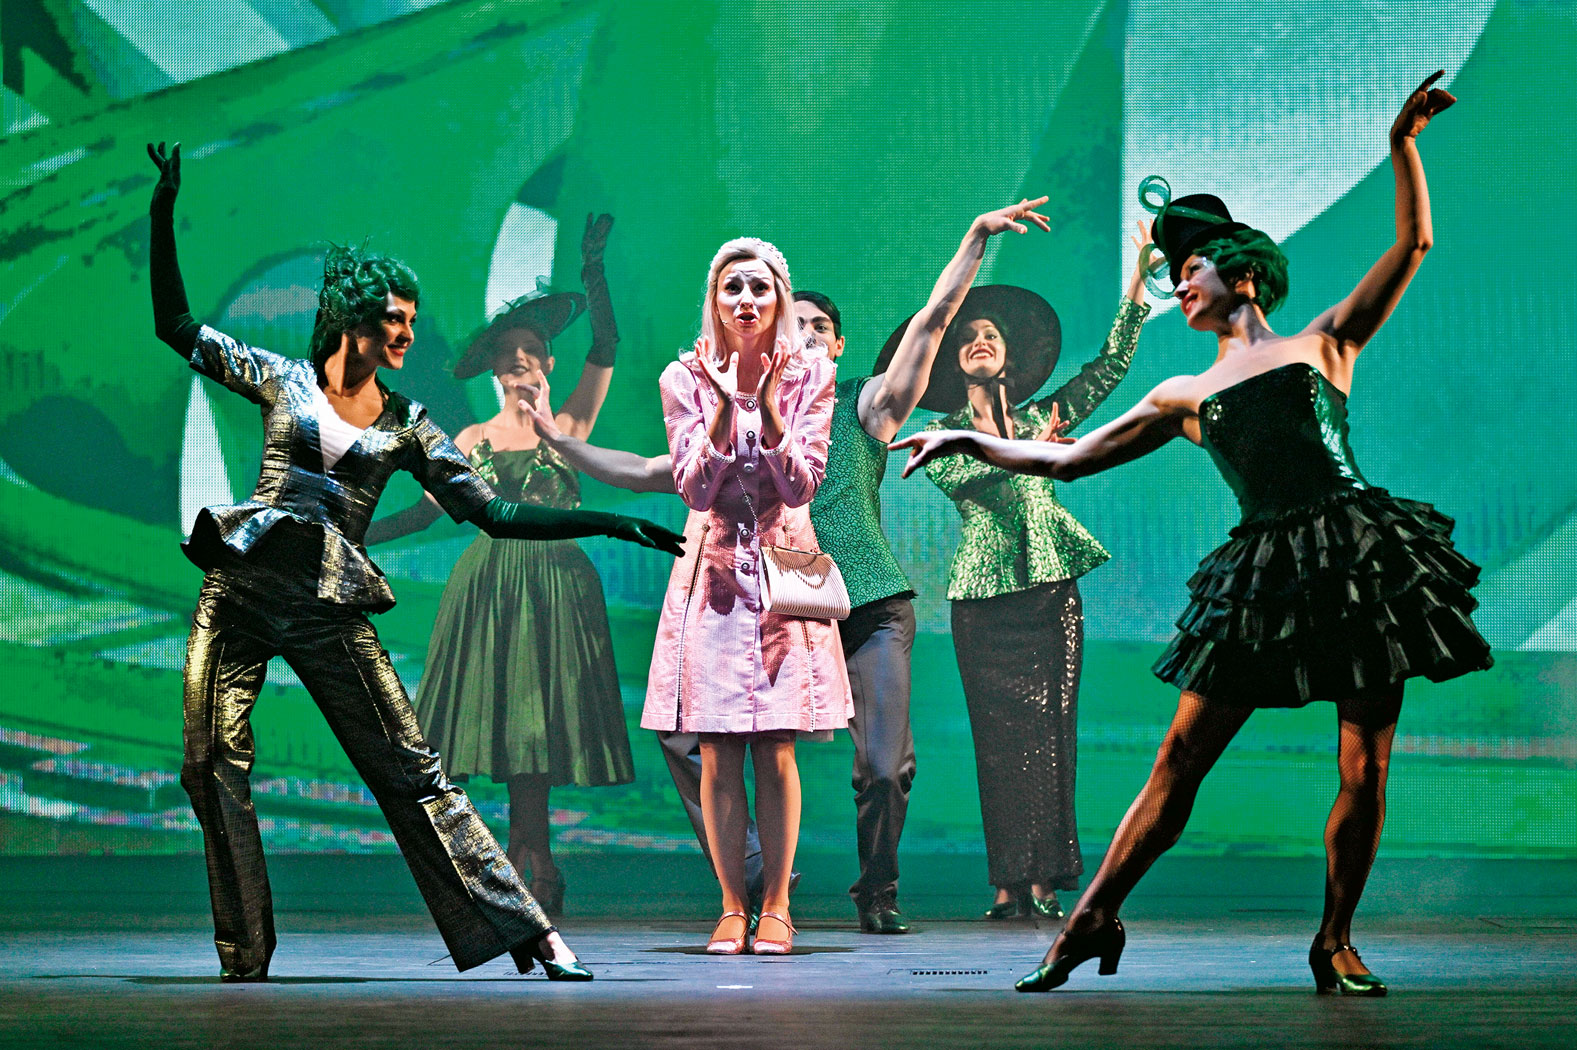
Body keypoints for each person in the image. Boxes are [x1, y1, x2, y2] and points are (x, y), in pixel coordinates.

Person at [892, 73, 1490, 994]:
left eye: (1191, 268)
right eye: (1172, 274)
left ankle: (1334, 940)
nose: (1178, 283)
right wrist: (967, 437)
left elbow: (1413, 242)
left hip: (1359, 560)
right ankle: (1088, 921)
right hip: (1264, 572)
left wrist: (1399, 144)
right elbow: (1067, 460)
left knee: (1363, 764)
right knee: (1179, 757)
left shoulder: (1324, 342)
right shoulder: (1183, 394)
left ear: (1239, 271)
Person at [144, 142, 681, 982]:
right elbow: (175, 327)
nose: (406, 333)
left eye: (410, 321)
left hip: (328, 605)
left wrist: (612, 522)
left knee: (411, 771)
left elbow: (493, 514)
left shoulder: (410, 424)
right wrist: (161, 210)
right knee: (209, 766)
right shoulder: (280, 380)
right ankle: (243, 955)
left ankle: (532, 933)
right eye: (394, 319)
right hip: (240, 589)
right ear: (353, 319)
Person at [526, 200, 1055, 932]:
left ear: (836, 344)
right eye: (790, 320)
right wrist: (561, 442)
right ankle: (750, 874)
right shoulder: (716, 392)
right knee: (686, 734)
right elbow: (653, 470)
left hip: (859, 600)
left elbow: (932, 322)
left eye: (814, 325)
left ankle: (874, 890)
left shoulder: (861, 405)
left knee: (881, 767)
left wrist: (973, 242)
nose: (798, 331)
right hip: (762, 601)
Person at [365, 216, 630, 916]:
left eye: (531, 350)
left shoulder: (569, 426)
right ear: (491, 368)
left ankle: (531, 857)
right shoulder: (472, 437)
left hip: (556, 585)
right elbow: (424, 513)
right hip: (490, 589)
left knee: (540, 727)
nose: (520, 359)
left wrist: (593, 270)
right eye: (507, 353)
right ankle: (526, 859)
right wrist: (355, 534)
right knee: (509, 726)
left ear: (548, 363)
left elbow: (605, 344)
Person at [891, 233, 1154, 921]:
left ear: (1008, 355)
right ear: (954, 360)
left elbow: (1110, 367)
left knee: (1052, 735)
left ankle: (1045, 881)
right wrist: (1035, 450)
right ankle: (1006, 883)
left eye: (990, 334)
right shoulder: (939, 432)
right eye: (966, 337)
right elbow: (970, 474)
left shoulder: (1044, 416)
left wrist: (1136, 283)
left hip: (1051, 592)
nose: (979, 341)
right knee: (999, 745)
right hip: (983, 601)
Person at [639, 237, 848, 955]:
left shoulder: (811, 373)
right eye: (733, 288)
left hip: (783, 571)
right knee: (718, 748)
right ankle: (732, 906)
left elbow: (801, 483)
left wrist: (771, 410)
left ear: (779, 299)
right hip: (714, 575)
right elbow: (696, 489)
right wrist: (730, 405)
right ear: (715, 299)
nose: (747, 300)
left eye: (760, 288)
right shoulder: (682, 377)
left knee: (777, 745)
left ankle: (779, 905)